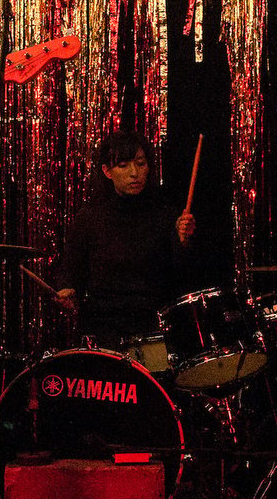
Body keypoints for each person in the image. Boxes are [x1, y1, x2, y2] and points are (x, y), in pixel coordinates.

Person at [53, 131, 196, 347]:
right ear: (107, 171)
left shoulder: (165, 215)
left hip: (153, 329)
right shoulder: (90, 217)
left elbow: (183, 280)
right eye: (123, 165)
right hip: (103, 329)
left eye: (140, 163)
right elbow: (71, 270)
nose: (134, 173)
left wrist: (182, 242)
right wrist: (67, 289)